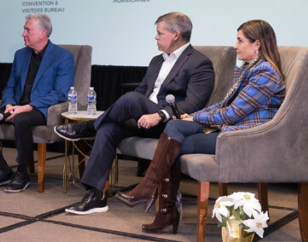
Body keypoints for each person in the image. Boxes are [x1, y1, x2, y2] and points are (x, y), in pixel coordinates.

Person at [117, 20, 286, 233]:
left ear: (257, 44)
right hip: (228, 131)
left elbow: (233, 114)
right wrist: (193, 116)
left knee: (172, 144)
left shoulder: (265, 73)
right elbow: (224, 105)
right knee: (175, 128)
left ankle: (158, 204)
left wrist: (197, 118)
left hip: (243, 137)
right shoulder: (249, 69)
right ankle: (158, 203)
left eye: (240, 40)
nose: (235, 46)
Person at [57, 13, 215, 215]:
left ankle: (88, 128)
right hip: (144, 119)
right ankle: (96, 196)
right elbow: (142, 92)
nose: (155, 37)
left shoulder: (200, 63)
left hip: (171, 125)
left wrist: (160, 115)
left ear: (176, 34)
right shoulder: (156, 61)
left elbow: (193, 104)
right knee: (108, 128)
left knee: (131, 99)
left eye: (160, 33)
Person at [0, 14, 75, 193]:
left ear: (42, 33)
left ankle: (22, 174)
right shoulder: (20, 54)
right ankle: (3, 169)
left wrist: (27, 107)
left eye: (28, 30)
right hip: (16, 106)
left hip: (40, 110)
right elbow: (10, 86)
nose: (23, 34)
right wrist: (9, 105)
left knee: (22, 119)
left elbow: (60, 93)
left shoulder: (62, 56)